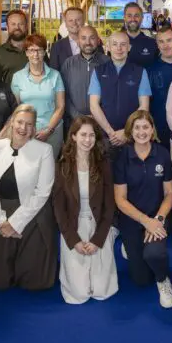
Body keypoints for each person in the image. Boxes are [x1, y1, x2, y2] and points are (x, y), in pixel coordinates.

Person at [0, 104, 57, 290]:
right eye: (20, 122)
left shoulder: (44, 150)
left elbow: (42, 192)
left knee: (34, 283)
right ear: (12, 122)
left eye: (29, 124)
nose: (23, 128)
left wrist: (15, 223)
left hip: (32, 215)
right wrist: (1, 221)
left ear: (34, 127)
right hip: (0, 214)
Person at [53, 116, 118, 304]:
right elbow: (59, 207)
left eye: (91, 135)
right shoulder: (62, 165)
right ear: (73, 136)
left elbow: (109, 206)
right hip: (73, 225)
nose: (87, 140)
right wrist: (73, 240)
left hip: (99, 224)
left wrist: (98, 239)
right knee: (78, 294)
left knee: (102, 290)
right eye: (83, 135)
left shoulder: (103, 164)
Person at [114, 111, 172, 308]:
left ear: (152, 130)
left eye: (146, 127)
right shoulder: (123, 156)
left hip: (157, 216)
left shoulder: (162, 154)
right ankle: (130, 244)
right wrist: (145, 221)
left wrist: (157, 219)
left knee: (154, 255)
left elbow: (169, 194)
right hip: (132, 219)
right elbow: (120, 199)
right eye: (137, 128)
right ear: (130, 131)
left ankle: (163, 280)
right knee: (141, 279)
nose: (141, 132)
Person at [89, 31, 152, 161]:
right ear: (108, 47)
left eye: (123, 44)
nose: (119, 48)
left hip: (132, 136)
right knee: (106, 171)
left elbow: (144, 107)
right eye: (115, 44)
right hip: (105, 137)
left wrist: (126, 132)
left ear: (129, 47)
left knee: (131, 172)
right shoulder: (98, 71)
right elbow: (94, 106)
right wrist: (110, 132)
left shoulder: (140, 71)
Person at [11, 34, 65, 156]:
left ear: (44, 52)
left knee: (50, 165)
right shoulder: (17, 77)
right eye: (31, 50)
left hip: (52, 131)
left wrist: (48, 130)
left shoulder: (55, 75)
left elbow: (60, 107)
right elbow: (16, 108)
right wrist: (26, 128)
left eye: (39, 50)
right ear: (26, 53)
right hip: (26, 131)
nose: (35, 54)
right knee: (27, 165)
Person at [60, 26, 110, 132]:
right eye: (83, 38)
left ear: (98, 40)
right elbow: (64, 95)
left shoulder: (107, 63)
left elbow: (112, 94)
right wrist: (78, 116)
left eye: (92, 38)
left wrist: (98, 115)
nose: (88, 42)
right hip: (74, 123)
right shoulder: (68, 64)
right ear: (78, 41)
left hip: (102, 123)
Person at [148, 26, 172, 148]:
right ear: (157, 44)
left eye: (169, 40)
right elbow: (146, 103)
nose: (166, 45)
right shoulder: (150, 70)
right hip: (159, 130)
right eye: (161, 41)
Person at [0, 9, 29, 86]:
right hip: (10, 93)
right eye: (13, 24)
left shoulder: (36, 49)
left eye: (21, 24)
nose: (17, 27)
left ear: (26, 26)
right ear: (7, 27)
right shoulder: (0, 53)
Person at [124, 2, 158, 69]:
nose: (133, 19)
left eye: (136, 16)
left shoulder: (152, 43)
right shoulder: (116, 44)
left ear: (142, 18)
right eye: (129, 16)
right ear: (124, 18)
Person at [48, 7, 84, 71]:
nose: (74, 23)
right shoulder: (56, 47)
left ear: (83, 22)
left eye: (78, 20)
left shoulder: (95, 44)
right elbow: (54, 73)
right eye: (70, 20)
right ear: (65, 24)